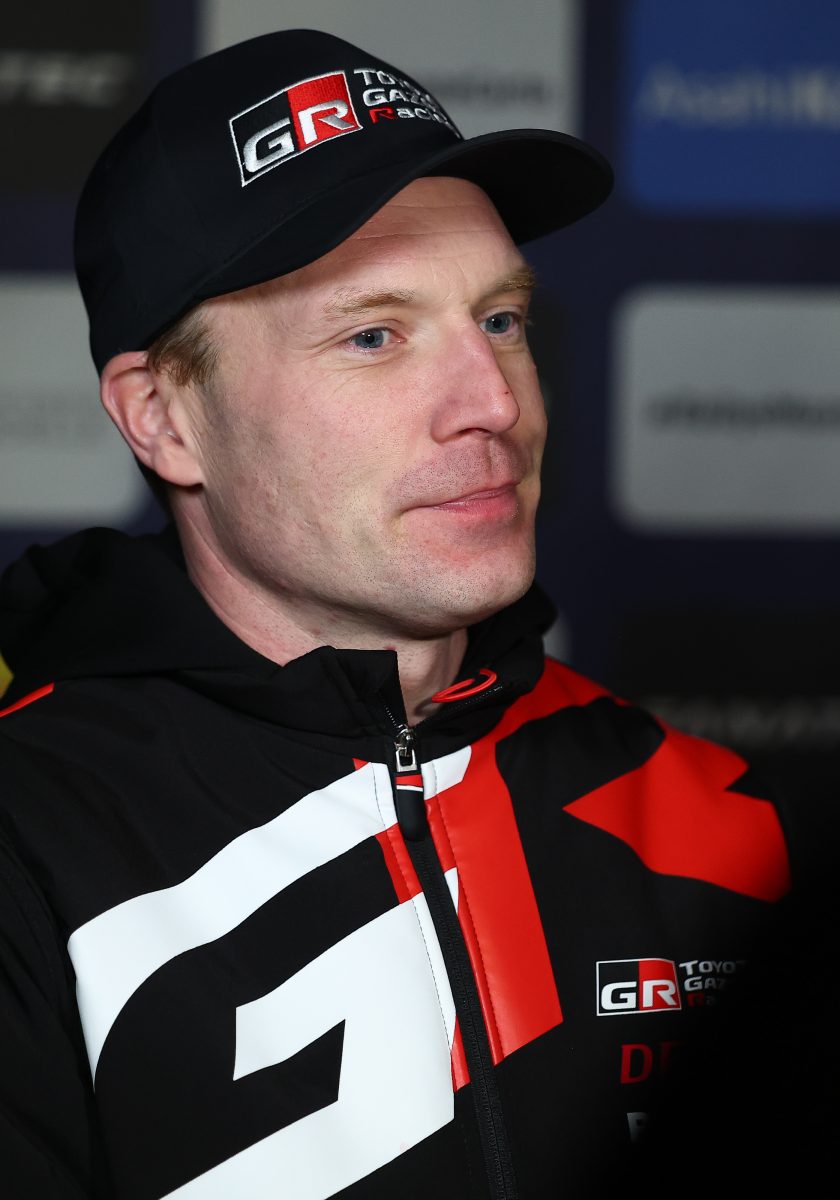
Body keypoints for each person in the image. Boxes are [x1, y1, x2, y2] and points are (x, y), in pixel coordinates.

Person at [0, 28, 798, 1200]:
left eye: (502, 320)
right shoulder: (32, 835)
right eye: (374, 335)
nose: (493, 404)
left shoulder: (719, 816)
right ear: (165, 419)